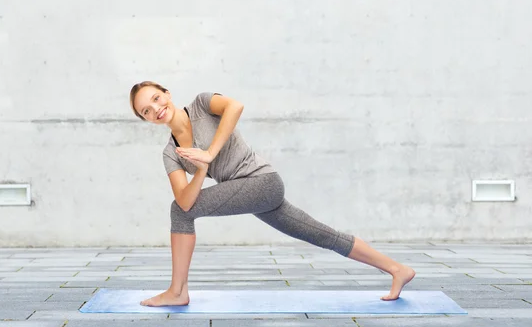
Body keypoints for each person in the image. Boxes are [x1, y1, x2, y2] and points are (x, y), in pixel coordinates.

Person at [129, 81, 415, 307]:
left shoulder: (203, 104)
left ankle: (178, 291)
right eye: (146, 111)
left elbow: (235, 107)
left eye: (155, 99)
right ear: (147, 120)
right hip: (250, 193)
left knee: (179, 213)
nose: (155, 109)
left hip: (263, 183)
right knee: (322, 234)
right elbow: (186, 199)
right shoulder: (171, 154)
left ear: (167, 93)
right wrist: (202, 169)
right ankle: (397, 269)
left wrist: (209, 153)